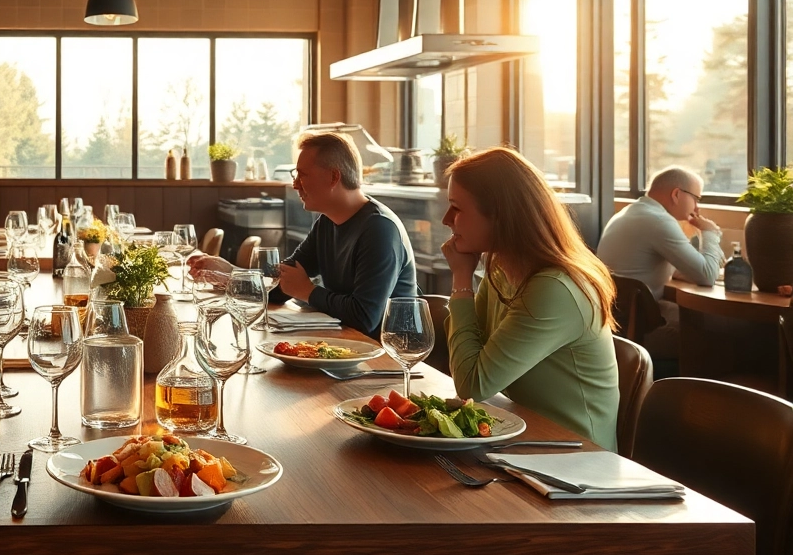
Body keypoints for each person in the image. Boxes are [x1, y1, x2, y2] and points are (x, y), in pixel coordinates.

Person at [441, 147, 619, 450]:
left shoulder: (555, 289)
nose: (447, 220)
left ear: (500, 213)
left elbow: (472, 383)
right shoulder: (500, 272)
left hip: (577, 463)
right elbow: (468, 358)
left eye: (456, 208)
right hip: (522, 442)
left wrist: (461, 279)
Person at [190, 131, 417, 337]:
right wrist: (231, 273)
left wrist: (308, 291)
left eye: (302, 175)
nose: (295, 184)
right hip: (347, 346)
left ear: (333, 178)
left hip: (388, 361)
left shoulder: (379, 229)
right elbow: (281, 286)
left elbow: (365, 317)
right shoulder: (327, 222)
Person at [596, 166, 722, 363]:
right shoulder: (658, 221)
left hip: (617, 324)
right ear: (676, 194)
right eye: (696, 199)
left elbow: (683, 270)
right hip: (641, 330)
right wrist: (710, 233)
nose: (697, 208)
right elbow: (707, 275)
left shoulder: (630, 212)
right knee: (722, 333)